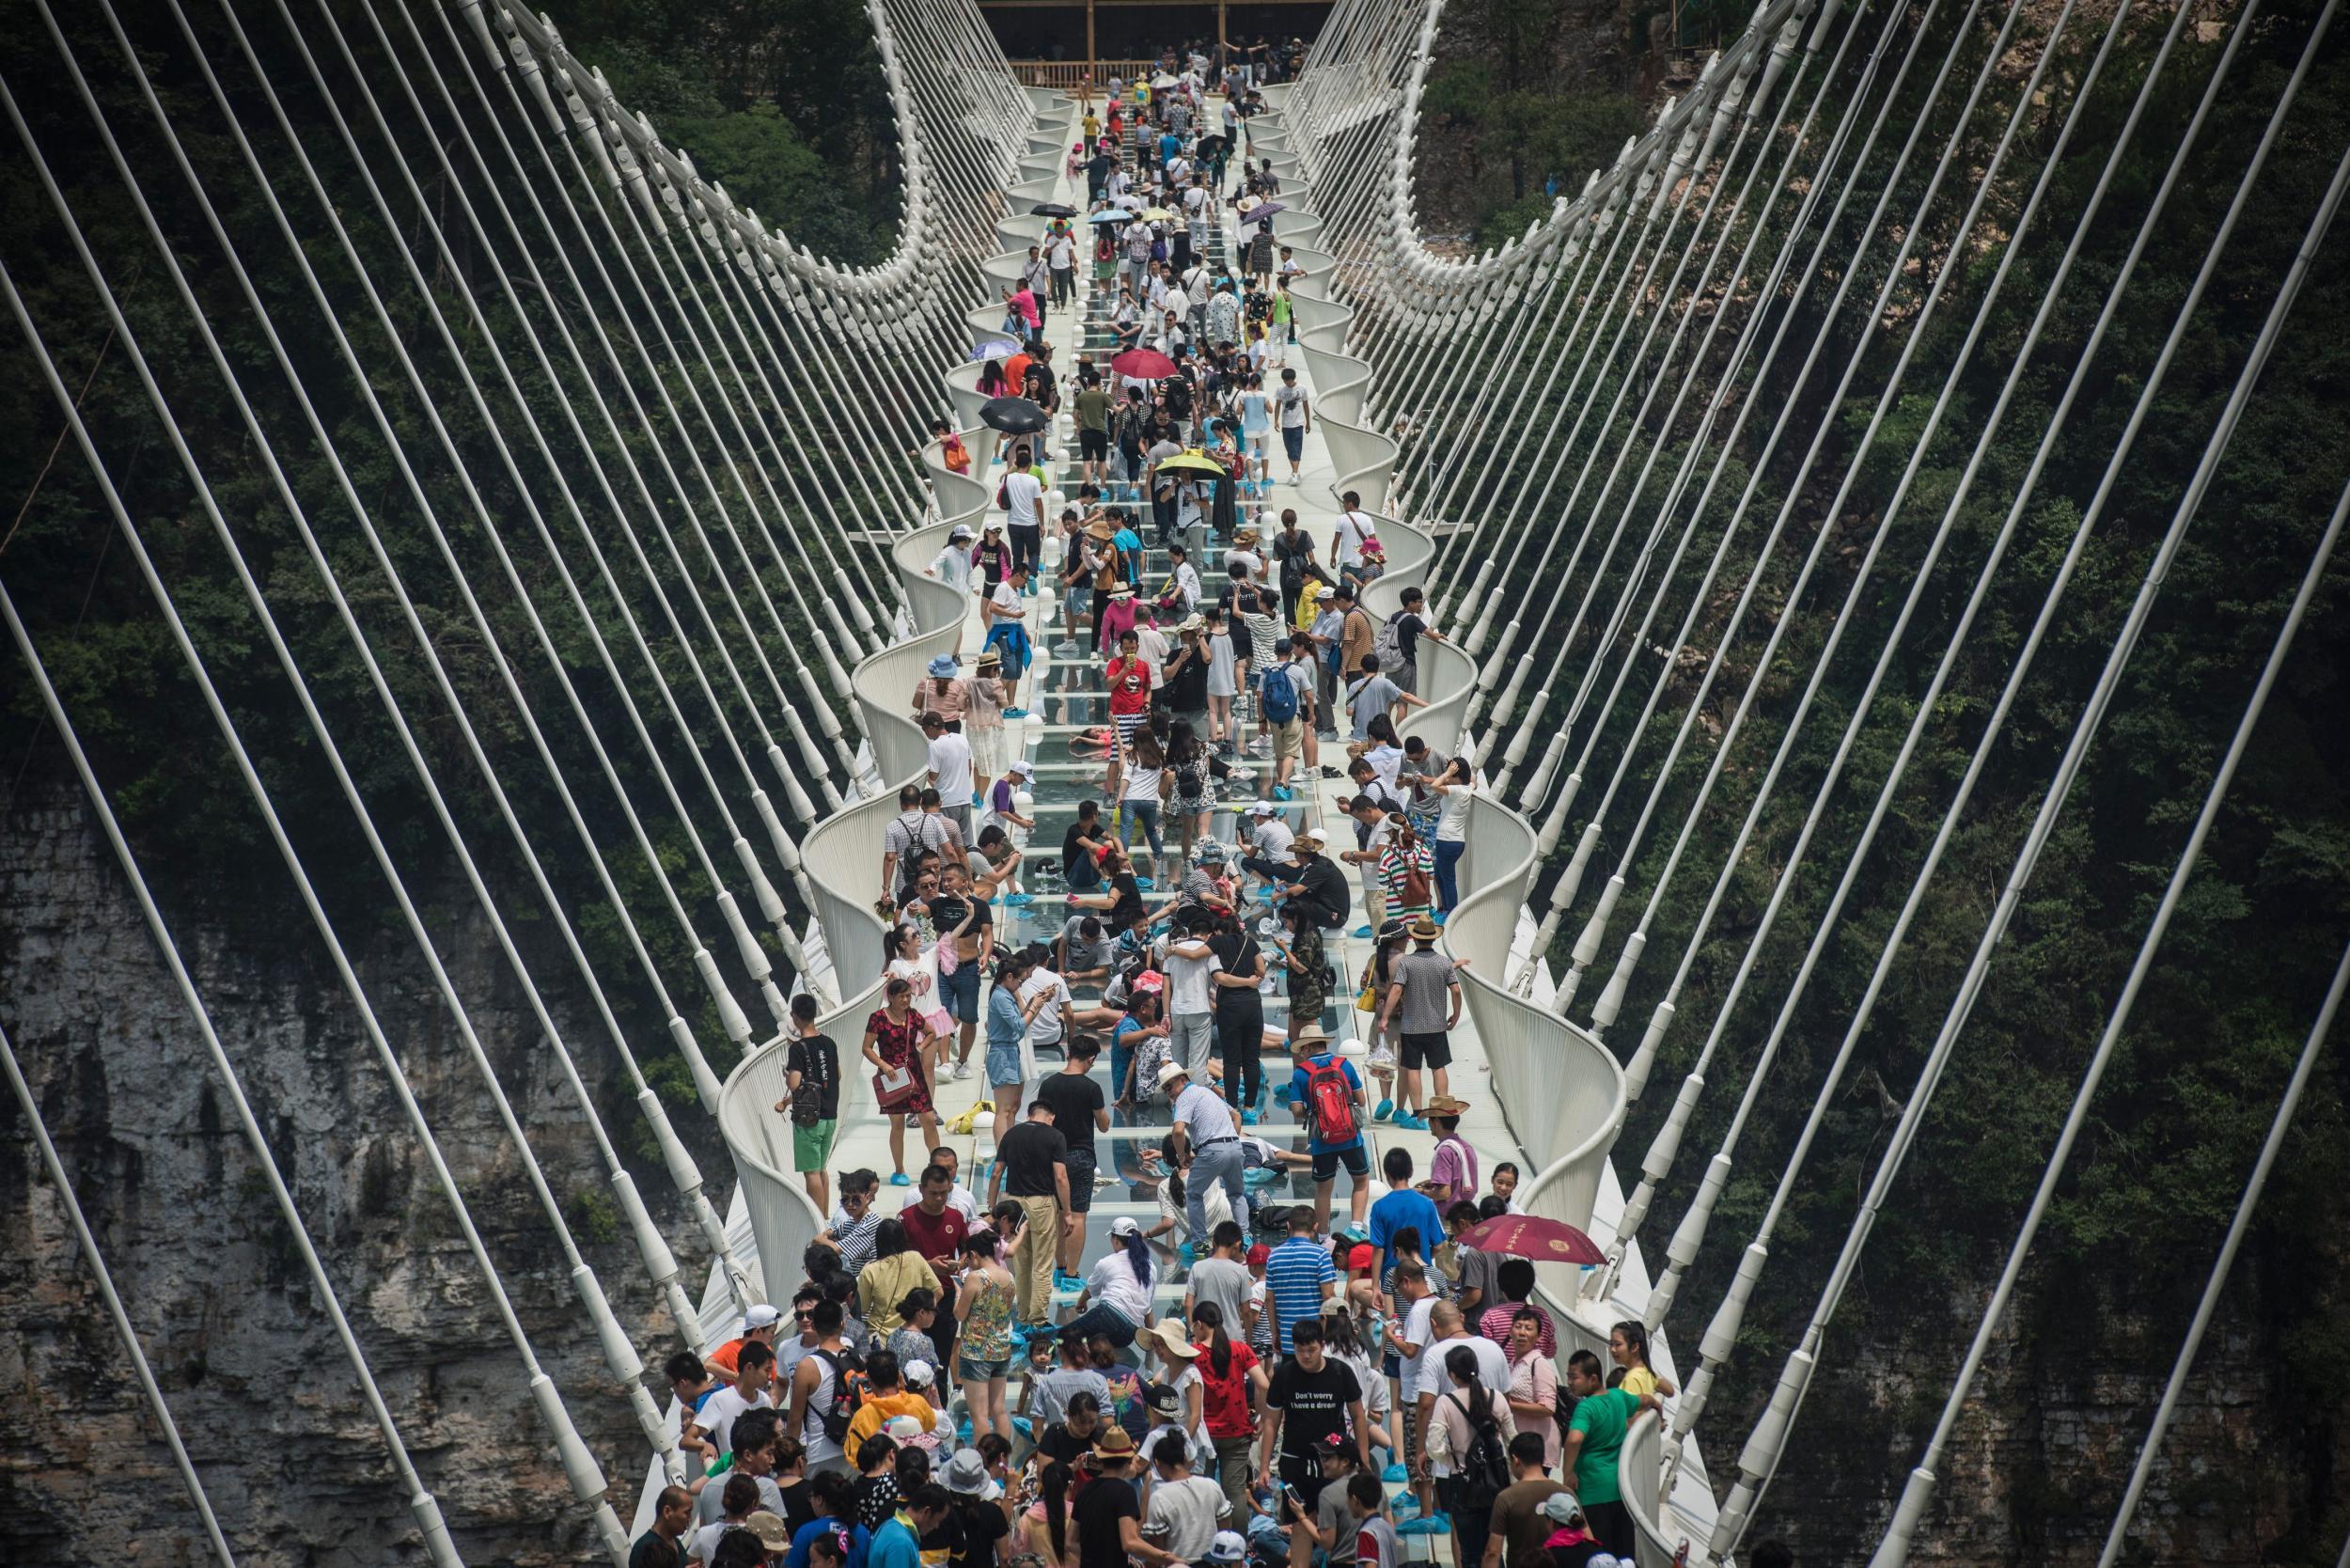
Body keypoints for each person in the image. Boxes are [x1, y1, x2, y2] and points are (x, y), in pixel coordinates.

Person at [1259, 1315, 1371, 1522]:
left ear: (1322, 1345)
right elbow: (1271, 1423)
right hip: (1295, 1460)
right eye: (1299, 1351)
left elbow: (1358, 1416)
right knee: (1298, 1522)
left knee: (1335, 1519)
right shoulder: (1284, 1375)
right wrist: (1264, 1467)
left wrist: (1363, 1460)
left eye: (1311, 1350)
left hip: (1334, 1460)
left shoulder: (1340, 1372)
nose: (1306, 1356)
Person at [1559, 1350, 1661, 1559]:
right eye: (1568, 1376)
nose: (1569, 1382)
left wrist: (1567, 1472)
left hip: (1592, 1491)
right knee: (1623, 1555)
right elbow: (1642, 1399)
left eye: (1574, 1377)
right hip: (1621, 1487)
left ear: (1593, 1378)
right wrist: (1656, 1404)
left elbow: (1574, 1439)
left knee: (1600, 1555)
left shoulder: (1586, 1407)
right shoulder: (1617, 1396)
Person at [1428, 1343, 1516, 1568]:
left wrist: (1456, 1462)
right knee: (1495, 1550)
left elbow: (1434, 1447)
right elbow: (1512, 1442)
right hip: (1496, 1481)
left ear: (1452, 1374)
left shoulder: (1446, 1402)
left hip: (1463, 1482)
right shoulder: (1497, 1398)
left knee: (1469, 1553)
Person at [987, 1099, 1073, 1324]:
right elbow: (1061, 1177)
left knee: (1022, 1264)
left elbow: (996, 1172)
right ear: (1051, 1117)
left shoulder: (1011, 1134)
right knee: (1042, 1264)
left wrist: (992, 1206)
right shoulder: (1056, 1137)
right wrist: (1068, 1212)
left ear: (1029, 1114)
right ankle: (1038, 1317)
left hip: (1014, 1204)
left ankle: (1023, 1315)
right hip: (1042, 1203)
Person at [1039, 1034, 1111, 1284]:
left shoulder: (1048, 1084)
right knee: (1078, 1215)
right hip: (1081, 1156)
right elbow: (1103, 1125)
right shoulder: (1091, 1087)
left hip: (1052, 1156)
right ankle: (1072, 1273)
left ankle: (1059, 1267)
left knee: (1059, 1213)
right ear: (1090, 1059)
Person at [1375, 917, 1459, 1130]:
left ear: (1414, 938)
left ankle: (1418, 1114)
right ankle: (1442, 1110)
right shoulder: (1443, 962)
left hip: (1411, 1026)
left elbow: (1396, 990)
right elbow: (1456, 990)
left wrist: (1384, 1017)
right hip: (1437, 1025)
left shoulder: (1407, 962)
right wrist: (1455, 1014)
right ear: (1433, 938)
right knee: (1438, 1067)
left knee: (1414, 1069)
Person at [1163, 1059, 1251, 1253]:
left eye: (1170, 1086)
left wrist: (1182, 1156)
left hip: (1212, 1150)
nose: (1169, 1092)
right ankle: (1246, 1237)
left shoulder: (1184, 1097)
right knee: (1236, 1194)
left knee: (1194, 1194)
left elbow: (1178, 1132)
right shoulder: (1208, 1093)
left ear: (1182, 1079)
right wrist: (1229, 1141)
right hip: (1235, 1148)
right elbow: (1236, 1116)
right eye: (1165, 1089)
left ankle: (1200, 1243)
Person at [1289, 1027, 1371, 1234]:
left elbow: (1298, 1111)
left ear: (1307, 1047)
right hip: (1351, 1136)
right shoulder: (1344, 1065)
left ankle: (1324, 1235)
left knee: (1324, 1189)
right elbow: (1361, 1101)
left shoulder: (1301, 1073)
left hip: (1322, 1140)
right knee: (1360, 1180)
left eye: (1302, 1050)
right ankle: (1356, 1228)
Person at [865, 978, 947, 1182]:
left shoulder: (912, 1015)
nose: (906, 999)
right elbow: (866, 1048)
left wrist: (920, 1048)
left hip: (914, 1074)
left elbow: (931, 1032)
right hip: (892, 1076)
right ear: (890, 997)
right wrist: (883, 1065)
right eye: (901, 996)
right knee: (898, 1124)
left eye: (908, 995)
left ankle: (939, 1166)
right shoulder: (878, 1018)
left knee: (928, 1119)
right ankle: (899, 1170)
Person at [776, 994, 843, 1211]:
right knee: (821, 1168)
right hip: (830, 1115)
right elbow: (838, 1074)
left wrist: (788, 1074)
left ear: (795, 1017)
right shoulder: (829, 1043)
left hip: (809, 1120)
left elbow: (795, 1084)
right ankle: (824, 1216)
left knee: (811, 1172)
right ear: (814, 1014)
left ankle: (817, 1222)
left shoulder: (797, 1049)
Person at [1075, 1429, 1180, 1568]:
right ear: (1129, 1461)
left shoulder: (1084, 1490)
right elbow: (1130, 1542)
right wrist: (1166, 1558)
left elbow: (1070, 1541)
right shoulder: (1124, 1492)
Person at [952, 1231, 1015, 1442]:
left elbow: (960, 1314)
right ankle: (1003, 1459)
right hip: (1002, 1349)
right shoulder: (1009, 1277)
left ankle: (984, 1462)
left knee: (979, 1414)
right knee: (998, 1410)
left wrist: (958, 1293)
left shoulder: (975, 1277)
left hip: (976, 1352)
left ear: (973, 1254)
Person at [1062, 1215, 1156, 1350]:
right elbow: (1147, 1308)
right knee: (1100, 1350)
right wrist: (1151, 1338)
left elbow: (1090, 1289)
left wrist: (1081, 1303)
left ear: (1116, 1240)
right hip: (1129, 1334)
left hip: (1108, 1316)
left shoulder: (1108, 1262)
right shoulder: (1150, 1266)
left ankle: (1053, 1366)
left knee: (1064, 1336)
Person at [1262, 1206, 1339, 1354]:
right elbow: (1328, 1296)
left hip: (1287, 1337)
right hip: (1315, 1338)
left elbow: (1269, 1298)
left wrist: (1274, 1333)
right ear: (1315, 1226)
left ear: (1288, 1225)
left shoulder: (1274, 1256)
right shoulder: (1321, 1254)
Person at [1144, 1429, 1231, 1558]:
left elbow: (1159, 1553)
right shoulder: (1211, 1485)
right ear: (1185, 1458)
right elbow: (1225, 1529)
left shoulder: (1159, 1498)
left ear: (1157, 1464)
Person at [701, 1340, 777, 1457]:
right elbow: (688, 1438)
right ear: (749, 1368)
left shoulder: (765, 1400)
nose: (769, 1376)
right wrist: (704, 1445)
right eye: (767, 1370)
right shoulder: (719, 1399)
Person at [870, 1484, 950, 1568]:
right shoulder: (901, 1543)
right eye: (939, 1520)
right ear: (926, 1512)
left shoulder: (890, 1525)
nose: (937, 1526)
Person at [1606, 1319, 1677, 1403]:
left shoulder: (1632, 1379)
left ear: (1634, 1347)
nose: (1613, 1349)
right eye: (1611, 1344)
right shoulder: (1646, 1373)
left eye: (1618, 1344)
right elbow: (1670, 1391)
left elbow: (1635, 1414)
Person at [1426, 1097, 1479, 1208]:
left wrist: (1421, 1192)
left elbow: (1444, 1193)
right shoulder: (1467, 1147)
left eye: (1430, 1120)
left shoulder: (1444, 1151)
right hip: (1466, 1211)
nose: (1429, 1124)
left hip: (1449, 1218)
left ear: (1436, 1122)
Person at [635, 1482, 695, 1568]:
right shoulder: (643, 1549)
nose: (690, 1519)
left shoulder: (676, 1543)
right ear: (667, 1512)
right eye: (686, 1513)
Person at [1273, 367, 1309, 484]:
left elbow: (1305, 405)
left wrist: (1308, 422)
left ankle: (1294, 473)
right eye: (1285, 381)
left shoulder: (1302, 388)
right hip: (1286, 424)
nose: (1287, 383)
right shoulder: (1280, 389)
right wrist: (1276, 420)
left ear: (1293, 379)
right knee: (1289, 449)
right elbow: (1278, 405)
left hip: (1298, 424)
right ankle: (1295, 473)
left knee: (1296, 448)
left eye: (1289, 381)